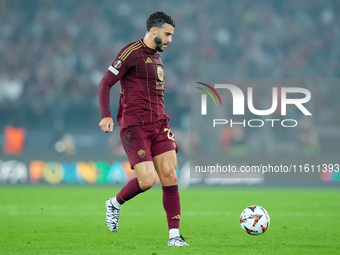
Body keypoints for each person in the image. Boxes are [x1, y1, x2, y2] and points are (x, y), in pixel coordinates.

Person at [98, 11, 188, 247]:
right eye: (167, 34)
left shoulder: (157, 58)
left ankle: (174, 237)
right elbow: (106, 82)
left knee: (170, 174)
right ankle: (114, 203)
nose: (170, 40)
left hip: (159, 125)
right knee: (148, 180)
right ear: (154, 31)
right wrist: (106, 115)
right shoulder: (131, 53)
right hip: (135, 127)